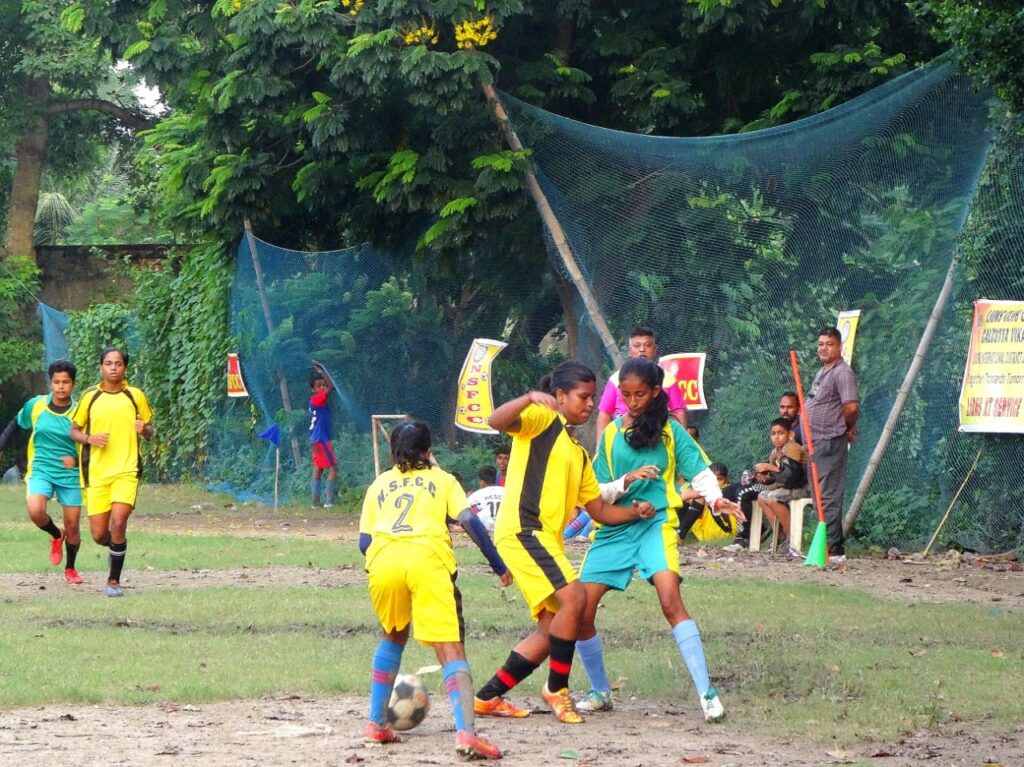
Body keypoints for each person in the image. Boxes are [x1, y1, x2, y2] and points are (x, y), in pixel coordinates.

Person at [474, 361, 655, 724]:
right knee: (575, 598)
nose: (590, 404)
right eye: (583, 397)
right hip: (523, 531)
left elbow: (599, 510)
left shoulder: (579, 454)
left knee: (552, 628)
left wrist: (636, 513)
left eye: (592, 397)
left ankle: (487, 697)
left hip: (544, 540)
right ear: (559, 396)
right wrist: (528, 398)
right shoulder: (542, 420)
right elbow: (495, 421)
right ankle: (557, 689)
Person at [577, 358, 743, 722]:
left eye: (639, 394)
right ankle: (600, 691)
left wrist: (716, 499)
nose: (632, 402)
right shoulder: (611, 434)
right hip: (615, 528)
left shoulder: (671, 432)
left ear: (655, 392)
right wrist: (626, 481)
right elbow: (596, 492)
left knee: (670, 600)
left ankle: (707, 694)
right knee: (581, 610)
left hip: (657, 526)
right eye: (626, 395)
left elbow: (699, 472)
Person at [358, 421, 508, 759]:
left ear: (393, 454)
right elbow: (469, 521)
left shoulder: (378, 484)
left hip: (383, 561)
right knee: (449, 646)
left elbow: (364, 542)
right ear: (429, 452)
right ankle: (467, 735)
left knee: (393, 633)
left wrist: (387, 563)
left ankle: (375, 725)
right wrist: (499, 565)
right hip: (427, 559)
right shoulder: (443, 480)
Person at [70, 347, 154, 597]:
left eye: (118, 363)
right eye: (108, 363)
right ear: (101, 367)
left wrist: (144, 429)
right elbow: (73, 430)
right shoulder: (90, 397)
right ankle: (117, 546)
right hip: (97, 474)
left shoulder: (135, 395)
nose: (113, 368)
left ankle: (113, 581)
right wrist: (90, 438)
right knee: (99, 534)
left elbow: (150, 431)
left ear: (125, 368)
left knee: (118, 521)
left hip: (126, 470)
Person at [0, 360, 84, 584]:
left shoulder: (81, 412)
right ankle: (56, 535)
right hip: (41, 469)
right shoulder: (36, 405)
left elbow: (91, 446)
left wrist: (76, 460)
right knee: (36, 511)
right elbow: (15, 424)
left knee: (73, 525)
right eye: (56, 382)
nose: (61, 387)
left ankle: (71, 568)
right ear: (50, 383)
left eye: (66, 382)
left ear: (73, 384)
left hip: (70, 473)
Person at [804, 327, 859, 563]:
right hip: (814, 441)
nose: (823, 348)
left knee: (828, 496)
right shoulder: (822, 372)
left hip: (830, 440)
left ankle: (835, 550)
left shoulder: (842, 373)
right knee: (818, 496)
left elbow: (851, 407)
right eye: (821, 344)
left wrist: (845, 427)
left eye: (829, 344)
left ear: (839, 347)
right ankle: (823, 547)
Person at [595, 326, 687, 449]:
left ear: (655, 349)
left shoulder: (668, 380)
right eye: (637, 346)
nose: (642, 350)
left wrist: (681, 445)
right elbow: (604, 414)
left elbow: (678, 411)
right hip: (624, 439)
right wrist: (600, 448)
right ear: (629, 350)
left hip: (659, 439)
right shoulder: (615, 380)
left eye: (647, 345)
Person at [754, 417, 809, 556]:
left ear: (790, 435)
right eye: (773, 433)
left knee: (773, 498)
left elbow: (792, 476)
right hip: (790, 487)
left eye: (780, 433)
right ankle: (779, 537)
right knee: (762, 497)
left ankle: (792, 539)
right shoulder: (775, 452)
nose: (776, 437)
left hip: (805, 486)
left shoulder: (793, 447)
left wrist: (770, 467)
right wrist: (766, 479)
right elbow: (776, 481)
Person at [308, 362, 337, 508]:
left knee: (318, 468)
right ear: (312, 390)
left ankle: (315, 502)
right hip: (321, 439)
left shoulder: (318, 401)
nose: (322, 388)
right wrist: (322, 369)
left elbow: (329, 387)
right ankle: (329, 502)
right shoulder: (317, 399)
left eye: (322, 385)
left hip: (315, 439)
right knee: (333, 467)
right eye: (318, 386)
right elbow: (332, 387)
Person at [466, 465, 505, 532]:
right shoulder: (505, 491)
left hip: (485, 528)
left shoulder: (477, 494)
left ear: (482, 482)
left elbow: (464, 510)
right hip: (504, 527)